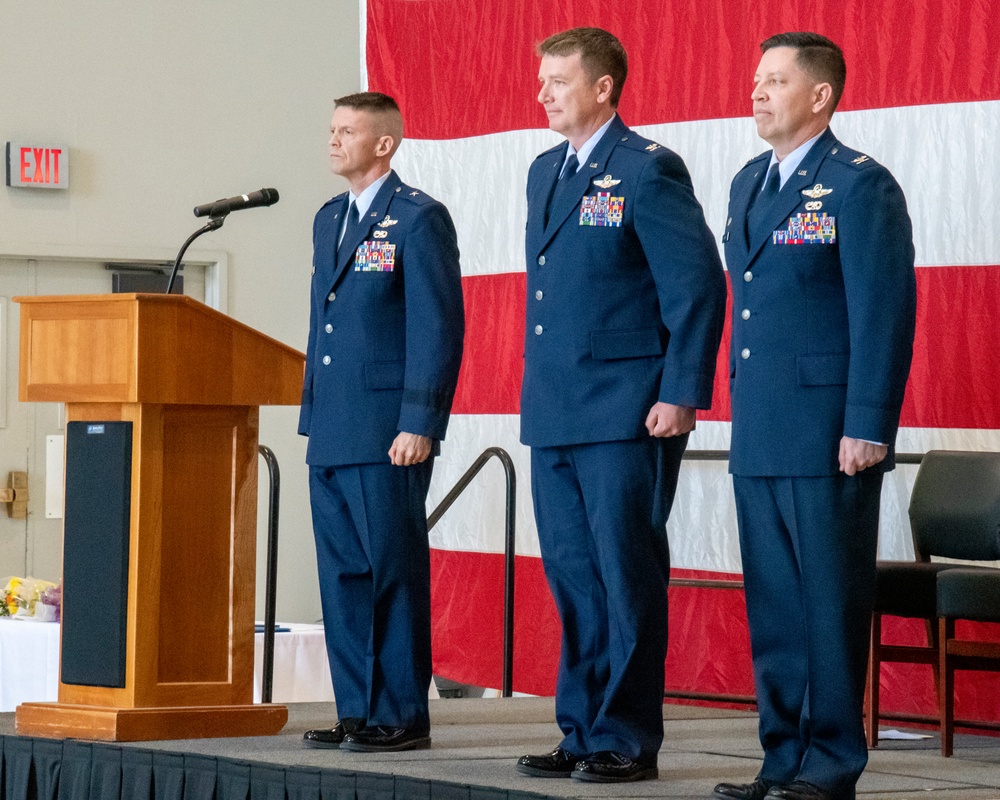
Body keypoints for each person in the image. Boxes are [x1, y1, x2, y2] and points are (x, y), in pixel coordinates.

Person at [516, 27, 727, 784]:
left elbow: (696, 285)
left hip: (627, 409)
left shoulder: (646, 169)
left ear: (604, 87)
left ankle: (626, 737)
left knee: (624, 573)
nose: (542, 93)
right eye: (541, 80)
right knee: (573, 577)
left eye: (559, 81)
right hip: (557, 408)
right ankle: (581, 728)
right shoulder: (545, 170)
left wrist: (680, 392)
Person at [714, 32, 916, 800]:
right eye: (756, 78)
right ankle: (781, 760)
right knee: (774, 608)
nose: (758, 91)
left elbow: (884, 311)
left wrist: (869, 422)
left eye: (775, 80)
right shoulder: (747, 183)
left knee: (827, 605)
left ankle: (829, 764)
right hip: (762, 424)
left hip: (831, 430)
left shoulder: (859, 185)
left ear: (821, 96)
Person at [298, 91, 464, 753]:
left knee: (391, 570)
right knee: (342, 577)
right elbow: (324, 325)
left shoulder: (417, 219)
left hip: (389, 429)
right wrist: (312, 412)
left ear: (385, 143)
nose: (334, 140)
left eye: (347, 131)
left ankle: (400, 712)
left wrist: (420, 420)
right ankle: (357, 709)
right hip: (334, 426)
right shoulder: (329, 218)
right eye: (331, 128)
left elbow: (437, 327)